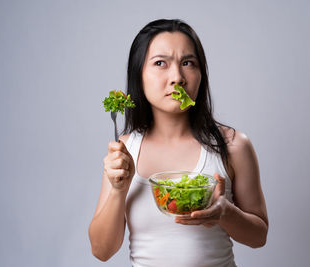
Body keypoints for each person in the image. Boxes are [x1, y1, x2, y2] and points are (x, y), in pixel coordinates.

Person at [88, 19, 268, 267]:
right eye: (160, 63)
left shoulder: (234, 145)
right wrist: (119, 189)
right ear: (138, 75)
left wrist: (226, 214)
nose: (177, 77)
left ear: (201, 74)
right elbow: (102, 250)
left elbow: (259, 236)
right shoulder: (125, 150)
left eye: (188, 63)